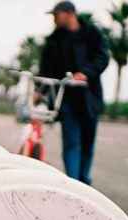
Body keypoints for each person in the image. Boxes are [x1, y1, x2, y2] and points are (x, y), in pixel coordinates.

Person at [39, 1, 109, 185]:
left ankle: (85, 181)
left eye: (56, 14)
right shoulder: (53, 41)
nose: (54, 18)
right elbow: (45, 71)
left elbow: (102, 57)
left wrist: (85, 73)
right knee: (71, 143)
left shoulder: (91, 33)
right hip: (66, 99)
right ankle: (73, 184)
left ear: (69, 13)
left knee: (88, 143)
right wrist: (40, 91)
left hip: (89, 98)